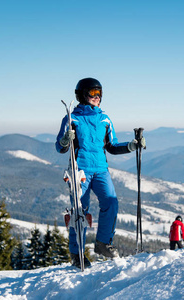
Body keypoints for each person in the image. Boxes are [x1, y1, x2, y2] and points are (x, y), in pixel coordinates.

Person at [56, 77, 145, 268]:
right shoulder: (72, 118)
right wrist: (65, 140)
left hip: (101, 170)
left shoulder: (104, 119)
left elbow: (112, 146)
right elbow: (60, 147)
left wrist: (132, 146)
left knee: (111, 202)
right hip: (80, 170)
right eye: (92, 93)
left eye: (99, 93)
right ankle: (76, 253)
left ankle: (103, 244)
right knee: (80, 211)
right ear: (82, 95)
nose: (97, 97)